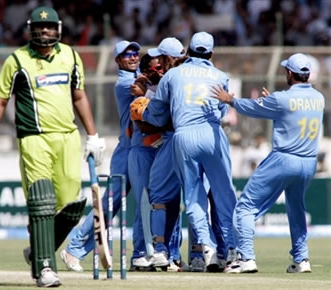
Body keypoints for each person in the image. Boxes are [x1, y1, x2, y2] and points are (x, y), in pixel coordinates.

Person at [0, 6, 105, 287]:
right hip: (34, 138)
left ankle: (38, 250)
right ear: (31, 29)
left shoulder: (70, 56)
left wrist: (93, 135)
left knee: (73, 205)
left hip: (67, 137)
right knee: (41, 201)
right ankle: (45, 268)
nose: (45, 31)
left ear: (59, 29)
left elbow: (79, 97)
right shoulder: (16, 60)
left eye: (50, 27)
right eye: (40, 27)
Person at [131, 32, 237, 272]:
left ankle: (195, 250)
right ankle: (230, 250)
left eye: (162, 58)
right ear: (210, 53)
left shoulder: (173, 76)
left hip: (181, 137)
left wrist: (141, 108)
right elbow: (221, 112)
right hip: (212, 134)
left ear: (186, 52)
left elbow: (156, 114)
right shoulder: (220, 75)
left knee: (190, 196)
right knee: (222, 195)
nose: (158, 64)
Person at [212, 53, 325, 273]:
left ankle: (246, 258)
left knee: (245, 207)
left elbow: (254, 108)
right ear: (308, 74)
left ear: (290, 73)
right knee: (296, 209)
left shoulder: (282, 99)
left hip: (284, 159)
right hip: (308, 162)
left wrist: (230, 100)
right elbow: (289, 111)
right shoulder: (318, 98)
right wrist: (272, 100)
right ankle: (301, 260)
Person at [60, 40, 140, 272]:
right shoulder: (125, 83)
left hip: (137, 148)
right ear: (118, 61)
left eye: (136, 53)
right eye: (127, 55)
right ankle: (73, 249)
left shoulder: (139, 75)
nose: (133, 57)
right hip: (126, 151)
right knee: (108, 205)